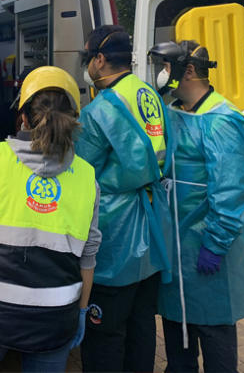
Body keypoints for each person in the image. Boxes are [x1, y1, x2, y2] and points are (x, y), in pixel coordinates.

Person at [0, 66, 102, 372]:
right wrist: (81, 310)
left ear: (24, 118)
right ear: (73, 120)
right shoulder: (87, 177)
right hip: (56, 318)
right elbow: (88, 257)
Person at [148, 40, 244, 371]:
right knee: (177, 334)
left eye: (167, 67)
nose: (162, 74)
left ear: (190, 70)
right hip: (175, 248)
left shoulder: (222, 122)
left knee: (214, 336)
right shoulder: (171, 113)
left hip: (207, 249)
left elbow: (229, 193)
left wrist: (214, 243)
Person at [74, 25, 173, 372]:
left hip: (115, 239)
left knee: (106, 335)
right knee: (142, 326)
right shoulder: (148, 94)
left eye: (88, 59)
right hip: (151, 230)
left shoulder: (98, 112)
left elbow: (83, 177)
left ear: (100, 60)